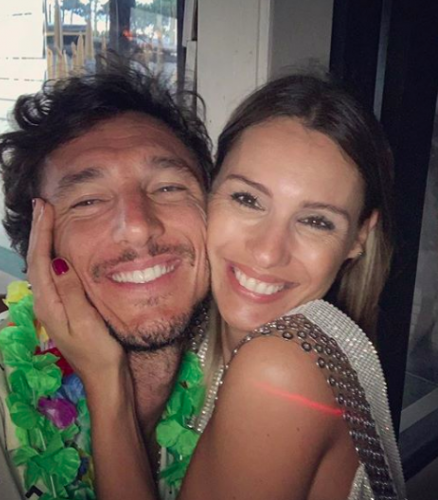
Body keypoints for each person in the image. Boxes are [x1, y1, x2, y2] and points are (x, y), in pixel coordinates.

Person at [32, 74, 406, 500]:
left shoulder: (281, 370)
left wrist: (105, 381)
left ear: (360, 236)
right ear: (210, 190)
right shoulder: (201, 334)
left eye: (316, 221)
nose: (267, 252)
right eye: (248, 200)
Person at [0, 58, 214, 500]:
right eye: (87, 201)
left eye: (169, 188)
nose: (138, 226)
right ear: (39, 247)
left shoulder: (247, 378)